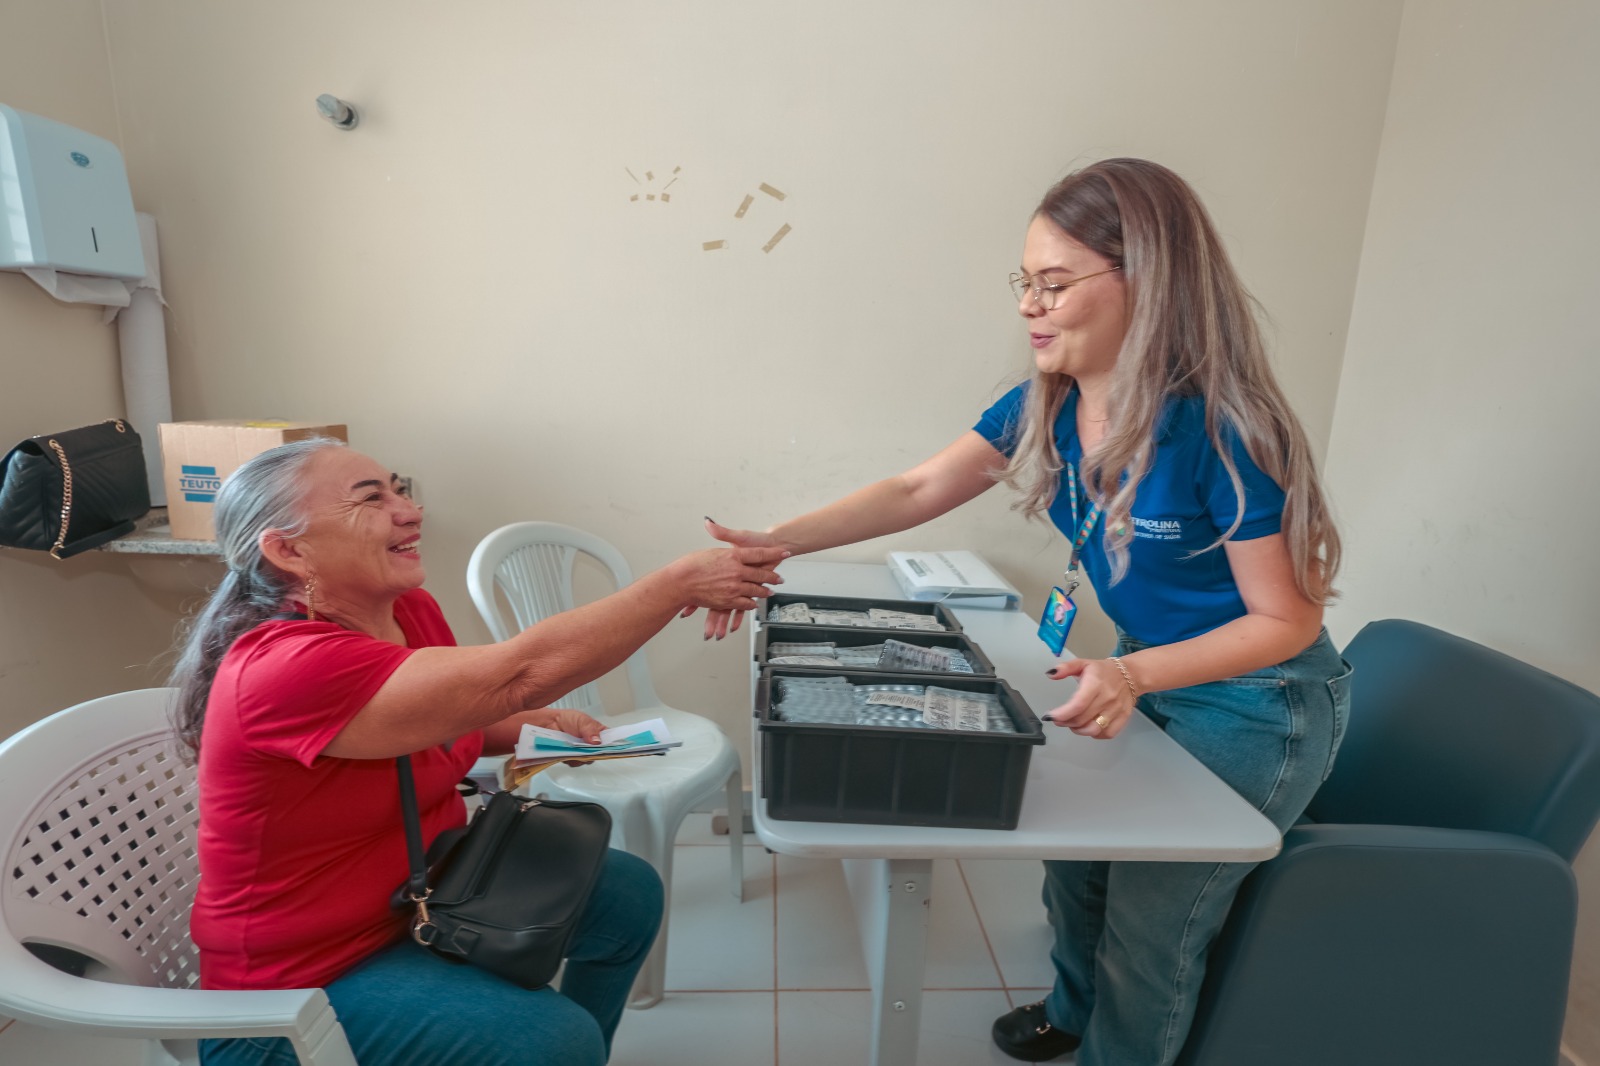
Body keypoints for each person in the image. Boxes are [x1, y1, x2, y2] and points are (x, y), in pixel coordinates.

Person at [703, 158, 1352, 1065]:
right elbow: (917, 485)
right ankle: (1076, 1011)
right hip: (1144, 663)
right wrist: (776, 543)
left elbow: (1283, 621)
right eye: (1026, 283)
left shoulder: (1226, 431)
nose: (1028, 306)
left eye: (1053, 284)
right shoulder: (1046, 406)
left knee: (1153, 920)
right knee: (1076, 868)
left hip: (1258, 696)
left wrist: (1134, 673)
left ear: (1148, 282)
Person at [170, 437, 786, 1066]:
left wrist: (530, 725)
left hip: (421, 898)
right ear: (288, 550)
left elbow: (436, 718)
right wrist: (677, 583)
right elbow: (515, 673)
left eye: (399, 489)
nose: (409, 511)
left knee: (626, 893)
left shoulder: (407, 610)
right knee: (548, 1040)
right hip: (299, 986)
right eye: (371, 499)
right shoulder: (284, 666)